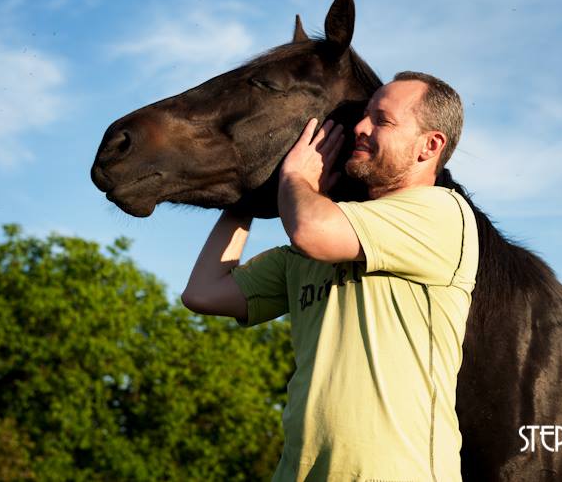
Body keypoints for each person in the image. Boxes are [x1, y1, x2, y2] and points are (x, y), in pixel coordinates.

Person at [182, 71, 479, 482]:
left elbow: (311, 230)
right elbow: (204, 292)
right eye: (363, 117)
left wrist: (296, 178)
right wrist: (246, 200)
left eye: (382, 120)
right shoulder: (308, 252)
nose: (360, 127)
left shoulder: (444, 214)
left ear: (430, 145)